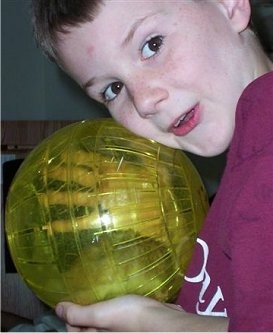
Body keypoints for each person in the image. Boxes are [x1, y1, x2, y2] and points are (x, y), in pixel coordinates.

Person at [30, 0, 273, 331]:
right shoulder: (249, 161)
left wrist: (152, 323)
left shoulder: (265, 161)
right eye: (113, 89)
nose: (143, 101)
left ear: (229, 5)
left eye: (152, 45)